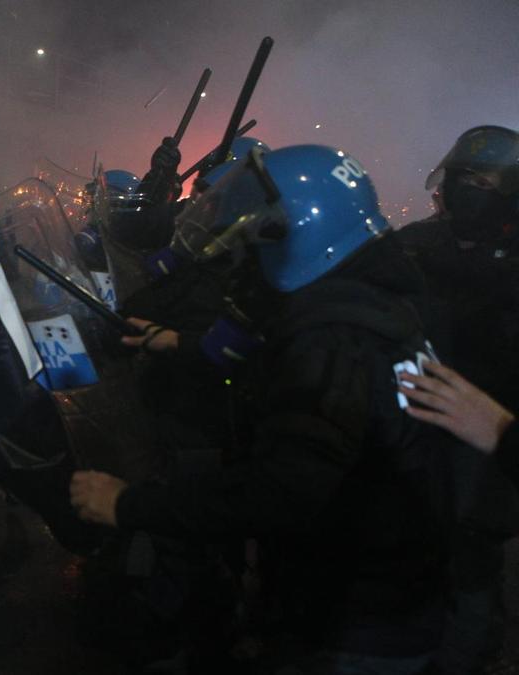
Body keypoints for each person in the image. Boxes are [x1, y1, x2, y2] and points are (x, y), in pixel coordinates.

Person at [70, 144, 450, 673]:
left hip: (355, 625)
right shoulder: (371, 305)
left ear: (296, 234)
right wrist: (179, 343)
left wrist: (128, 504)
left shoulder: (331, 339)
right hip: (389, 594)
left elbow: (279, 491)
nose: (241, 256)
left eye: (251, 239)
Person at [395, 125, 519, 672]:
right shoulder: (418, 243)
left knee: (471, 557)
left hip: (490, 433)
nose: (470, 188)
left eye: (485, 179)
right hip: (418, 419)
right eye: (463, 176)